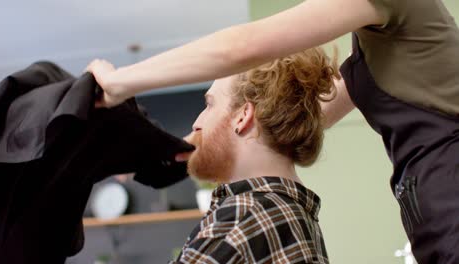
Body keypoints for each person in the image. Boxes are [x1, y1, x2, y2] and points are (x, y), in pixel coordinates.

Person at [87, 0, 459, 262]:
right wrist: (174, 149)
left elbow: (241, 48)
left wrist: (119, 82)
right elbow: (283, 117)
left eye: (208, 103)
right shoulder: (378, 52)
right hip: (433, 221)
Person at [169, 48, 335, 264]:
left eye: (210, 104)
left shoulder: (239, 221)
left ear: (243, 116)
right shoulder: (294, 215)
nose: (197, 123)